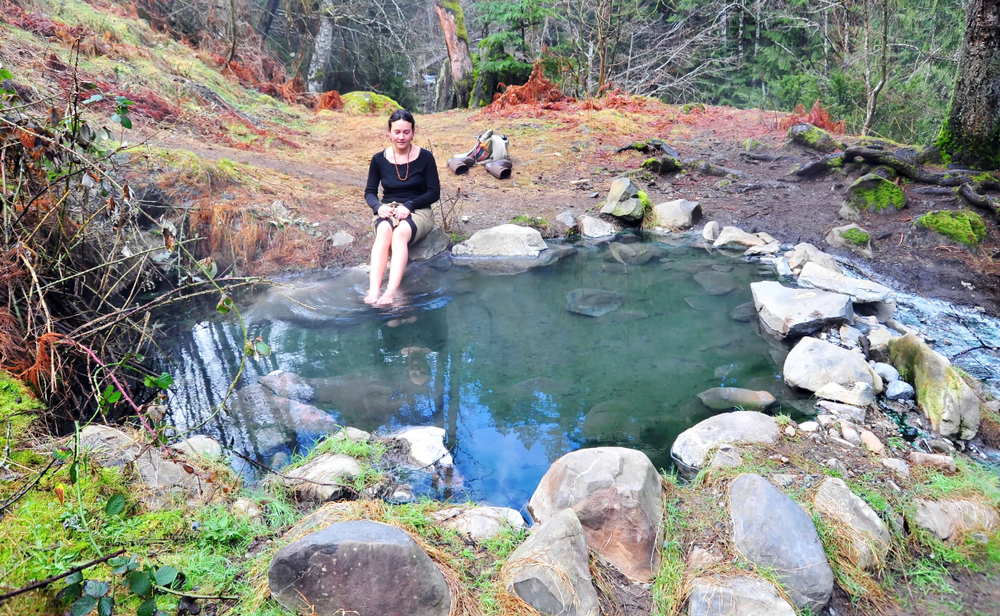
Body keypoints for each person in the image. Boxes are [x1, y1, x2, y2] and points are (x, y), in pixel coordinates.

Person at [363, 109, 441, 305]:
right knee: (384, 232)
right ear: (389, 132)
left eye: (406, 132)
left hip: (418, 209)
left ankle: (391, 292)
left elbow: (434, 193)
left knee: (399, 235)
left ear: (413, 132)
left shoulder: (426, 157)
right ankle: (373, 291)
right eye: (397, 132)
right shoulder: (378, 159)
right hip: (388, 207)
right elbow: (369, 192)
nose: (401, 137)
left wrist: (410, 205)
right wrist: (378, 207)